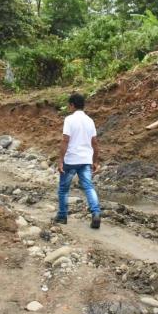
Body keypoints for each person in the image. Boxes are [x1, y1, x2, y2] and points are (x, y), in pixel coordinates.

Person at [54, 93, 101, 229]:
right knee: (89, 187)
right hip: (86, 160)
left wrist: (60, 160)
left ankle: (62, 216)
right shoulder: (90, 121)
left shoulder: (69, 119)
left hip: (71, 159)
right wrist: (95, 161)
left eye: (69, 105)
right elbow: (95, 143)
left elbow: (65, 140)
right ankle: (96, 213)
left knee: (63, 189)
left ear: (72, 105)